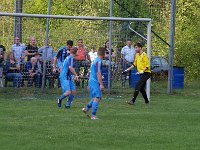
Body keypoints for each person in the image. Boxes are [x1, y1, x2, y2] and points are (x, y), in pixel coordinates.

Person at [82, 47, 106, 120]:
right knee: (97, 97)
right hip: (94, 81)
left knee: (97, 97)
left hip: (92, 81)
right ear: (104, 54)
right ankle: (93, 116)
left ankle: (86, 109)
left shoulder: (95, 60)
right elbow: (98, 73)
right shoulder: (98, 61)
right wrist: (101, 84)